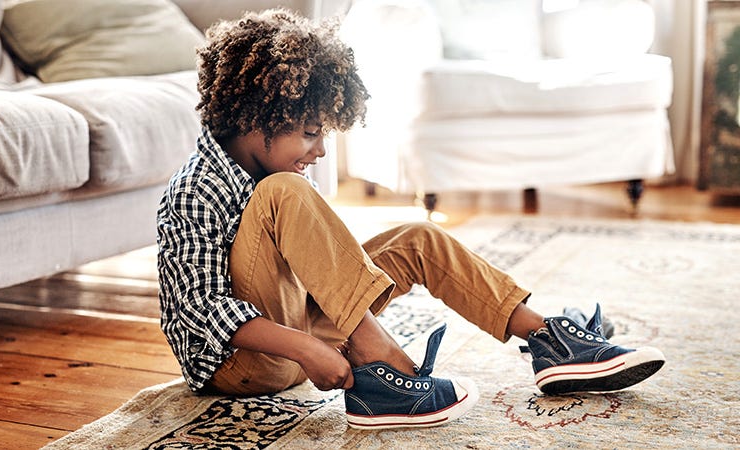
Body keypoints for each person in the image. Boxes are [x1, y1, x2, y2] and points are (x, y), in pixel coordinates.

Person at [156, 8, 665, 430]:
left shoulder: (279, 169)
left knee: (419, 238)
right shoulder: (196, 188)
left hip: (302, 337)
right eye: (311, 132)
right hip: (242, 365)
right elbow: (198, 310)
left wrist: (321, 329)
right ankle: (385, 367)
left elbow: (322, 267)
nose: (319, 150)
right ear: (254, 117)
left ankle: (547, 339)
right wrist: (308, 347)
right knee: (283, 192)